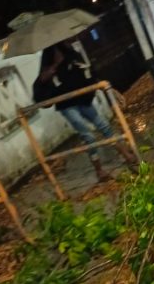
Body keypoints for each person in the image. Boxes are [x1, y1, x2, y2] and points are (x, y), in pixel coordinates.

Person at [33, 43, 136, 181]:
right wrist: (55, 66)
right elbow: (42, 81)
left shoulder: (71, 53)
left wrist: (109, 89)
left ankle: (126, 155)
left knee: (104, 126)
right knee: (88, 136)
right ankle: (99, 170)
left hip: (83, 99)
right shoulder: (48, 58)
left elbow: (89, 72)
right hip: (67, 105)